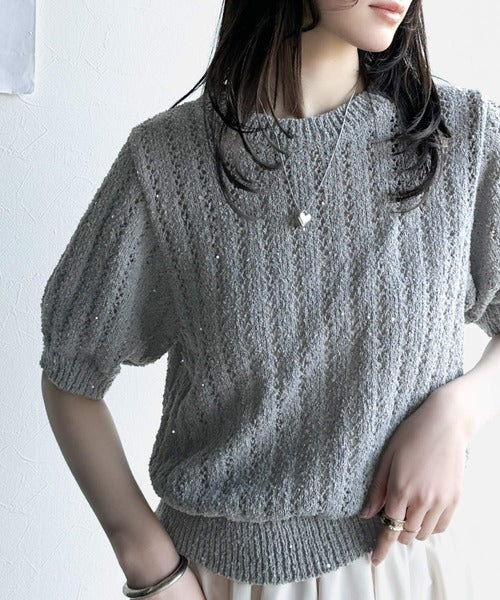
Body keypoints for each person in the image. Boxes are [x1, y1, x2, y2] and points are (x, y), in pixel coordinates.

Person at [39, 0, 500, 598]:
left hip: (401, 574)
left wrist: (459, 410)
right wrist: (147, 563)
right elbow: (72, 371)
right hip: (215, 578)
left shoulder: (461, 137)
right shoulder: (167, 162)